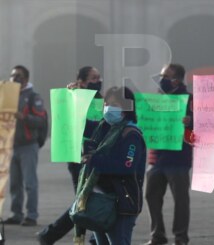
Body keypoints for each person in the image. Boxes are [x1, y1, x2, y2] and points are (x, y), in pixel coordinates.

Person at [37, 66, 102, 245]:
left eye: (98, 78)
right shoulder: (72, 98)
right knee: (83, 201)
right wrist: (71, 95)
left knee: (85, 200)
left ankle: (58, 235)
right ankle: (51, 234)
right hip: (78, 158)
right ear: (81, 82)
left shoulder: (98, 99)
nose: (97, 82)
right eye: (93, 78)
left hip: (95, 157)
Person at [75, 86, 146, 245]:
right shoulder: (104, 128)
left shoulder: (131, 135)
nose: (108, 108)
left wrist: (94, 160)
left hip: (122, 203)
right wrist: (74, 95)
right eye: (107, 103)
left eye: (114, 104)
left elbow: (125, 167)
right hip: (100, 201)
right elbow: (78, 122)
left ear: (126, 108)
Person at [143, 64, 193, 245]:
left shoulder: (189, 100)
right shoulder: (154, 100)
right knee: (151, 196)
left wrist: (190, 121)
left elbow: (205, 124)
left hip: (179, 159)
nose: (162, 79)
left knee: (180, 200)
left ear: (176, 80)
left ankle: (181, 237)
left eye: (166, 76)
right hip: (156, 157)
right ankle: (157, 235)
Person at [4, 65, 46, 226]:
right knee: (15, 184)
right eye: (13, 75)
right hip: (11, 145)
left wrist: (24, 117)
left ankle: (32, 215)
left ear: (26, 79)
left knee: (30, 183)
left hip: (28, 145)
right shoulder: (6, 95)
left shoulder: (33, 97)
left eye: (19, 76)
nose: (15, 78)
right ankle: (16, 214)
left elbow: (40, 120)